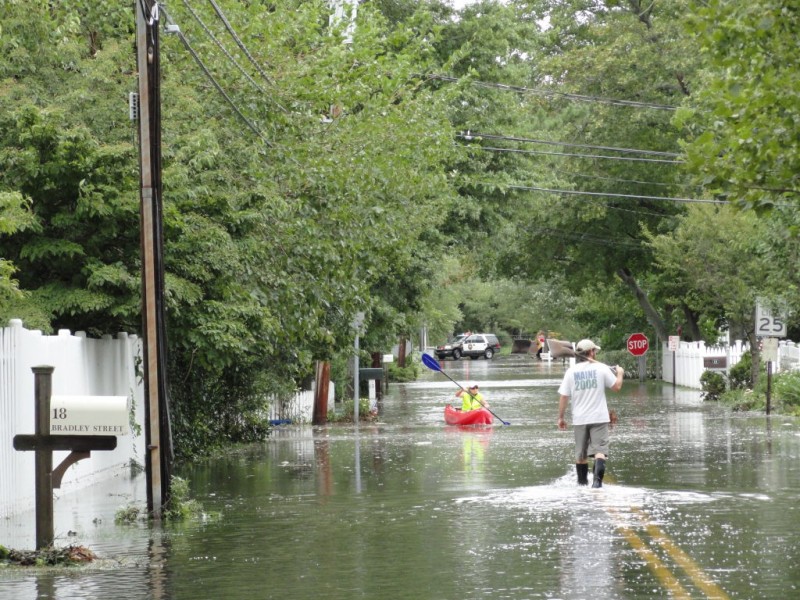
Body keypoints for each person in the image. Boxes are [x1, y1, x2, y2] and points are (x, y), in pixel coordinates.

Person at [557, 339, 624, 488]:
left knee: (581, 455)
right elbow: (617, 387)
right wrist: (620, 373)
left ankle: (581, 486)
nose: (596, 353)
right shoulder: (601, 368)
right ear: (591, 352)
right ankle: (597, 485)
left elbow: (564, 396)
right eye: (595, 351)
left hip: (579, 419)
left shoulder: (571, 372)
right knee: (600, 452)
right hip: (599, 417)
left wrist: (561, 418)